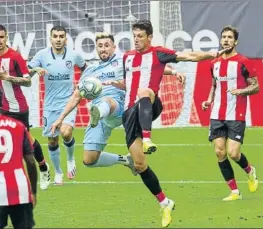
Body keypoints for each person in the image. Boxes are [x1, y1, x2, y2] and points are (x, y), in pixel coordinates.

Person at [106, 19, 232, 227]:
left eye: (140, 36)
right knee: (139, 164)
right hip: (129, 114)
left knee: (145, 92)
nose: (136, 40)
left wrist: (212, 54)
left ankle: (148, 138)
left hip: (150, 104)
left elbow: (188, 56)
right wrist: (114, 84)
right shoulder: (127, 58)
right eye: (134, 36)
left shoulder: (158, 53)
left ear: (149, 37)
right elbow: (131, 80)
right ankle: (165, 202)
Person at [51, 33, 184, 176]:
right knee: (89, 159)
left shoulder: (123, 60)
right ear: (96, 48)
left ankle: (99, 112)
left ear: (114, 47)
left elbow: (150, 68)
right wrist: (61, 118)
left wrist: (174, 71)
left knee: (107, 100)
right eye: (100, 46)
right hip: (101, 117)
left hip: (120, 107)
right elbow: (76, 96)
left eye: (107, 46)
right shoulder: (90, 71)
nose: (103, 49)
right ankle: (126, 160)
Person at [0, 24, 50, 190]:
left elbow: (27, 81)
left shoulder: (15, 56)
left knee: (26, 142)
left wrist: (8, 77)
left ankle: (43, 167)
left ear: (7, 38)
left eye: (1, 37)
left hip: (17, 108)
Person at [202, 25, 259, 201]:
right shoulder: (214, 63)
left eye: (229, 37)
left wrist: (241, 91)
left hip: (236, 114)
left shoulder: (243, 62)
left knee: (233, 153)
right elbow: (214, 85)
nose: (226, 40)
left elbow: (255, 86)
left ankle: (250, 170)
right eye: (224, 37)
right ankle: (234, 191)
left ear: (236, 41)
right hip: (217, 114)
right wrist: (209, 100)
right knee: (220, 152)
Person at [28, 25, 87, 185]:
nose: (58, 39)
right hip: (49, 105)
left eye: (61, 36)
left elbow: (85, 68)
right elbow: (28, 70)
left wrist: (82, 84)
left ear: (66, 39)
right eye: (55, 36)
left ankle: (70, 160)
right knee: (52, 141)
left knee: (66, 132)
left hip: (68, 103)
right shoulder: (42, 55)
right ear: (51, 38)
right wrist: (37, 68)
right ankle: (58, 173)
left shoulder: (74, 55)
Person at [0, 84, 38, 229]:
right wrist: (33, 191)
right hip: (21, 189)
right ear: (2, 102)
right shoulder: (18, 126)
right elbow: (31, 163)